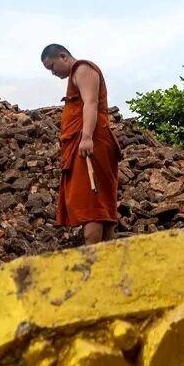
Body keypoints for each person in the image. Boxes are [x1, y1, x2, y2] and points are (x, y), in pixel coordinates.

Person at [41, 44, 121, 245]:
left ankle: (93, 264)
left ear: (63, 56)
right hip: (88, 144)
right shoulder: (74, 76)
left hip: (92, 145)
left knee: (93, 207)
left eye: (52, 66)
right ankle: (107, 264)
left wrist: (86, 137)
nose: (53, 73)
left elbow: (91, 102)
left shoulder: (83, 69)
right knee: (100, 205)